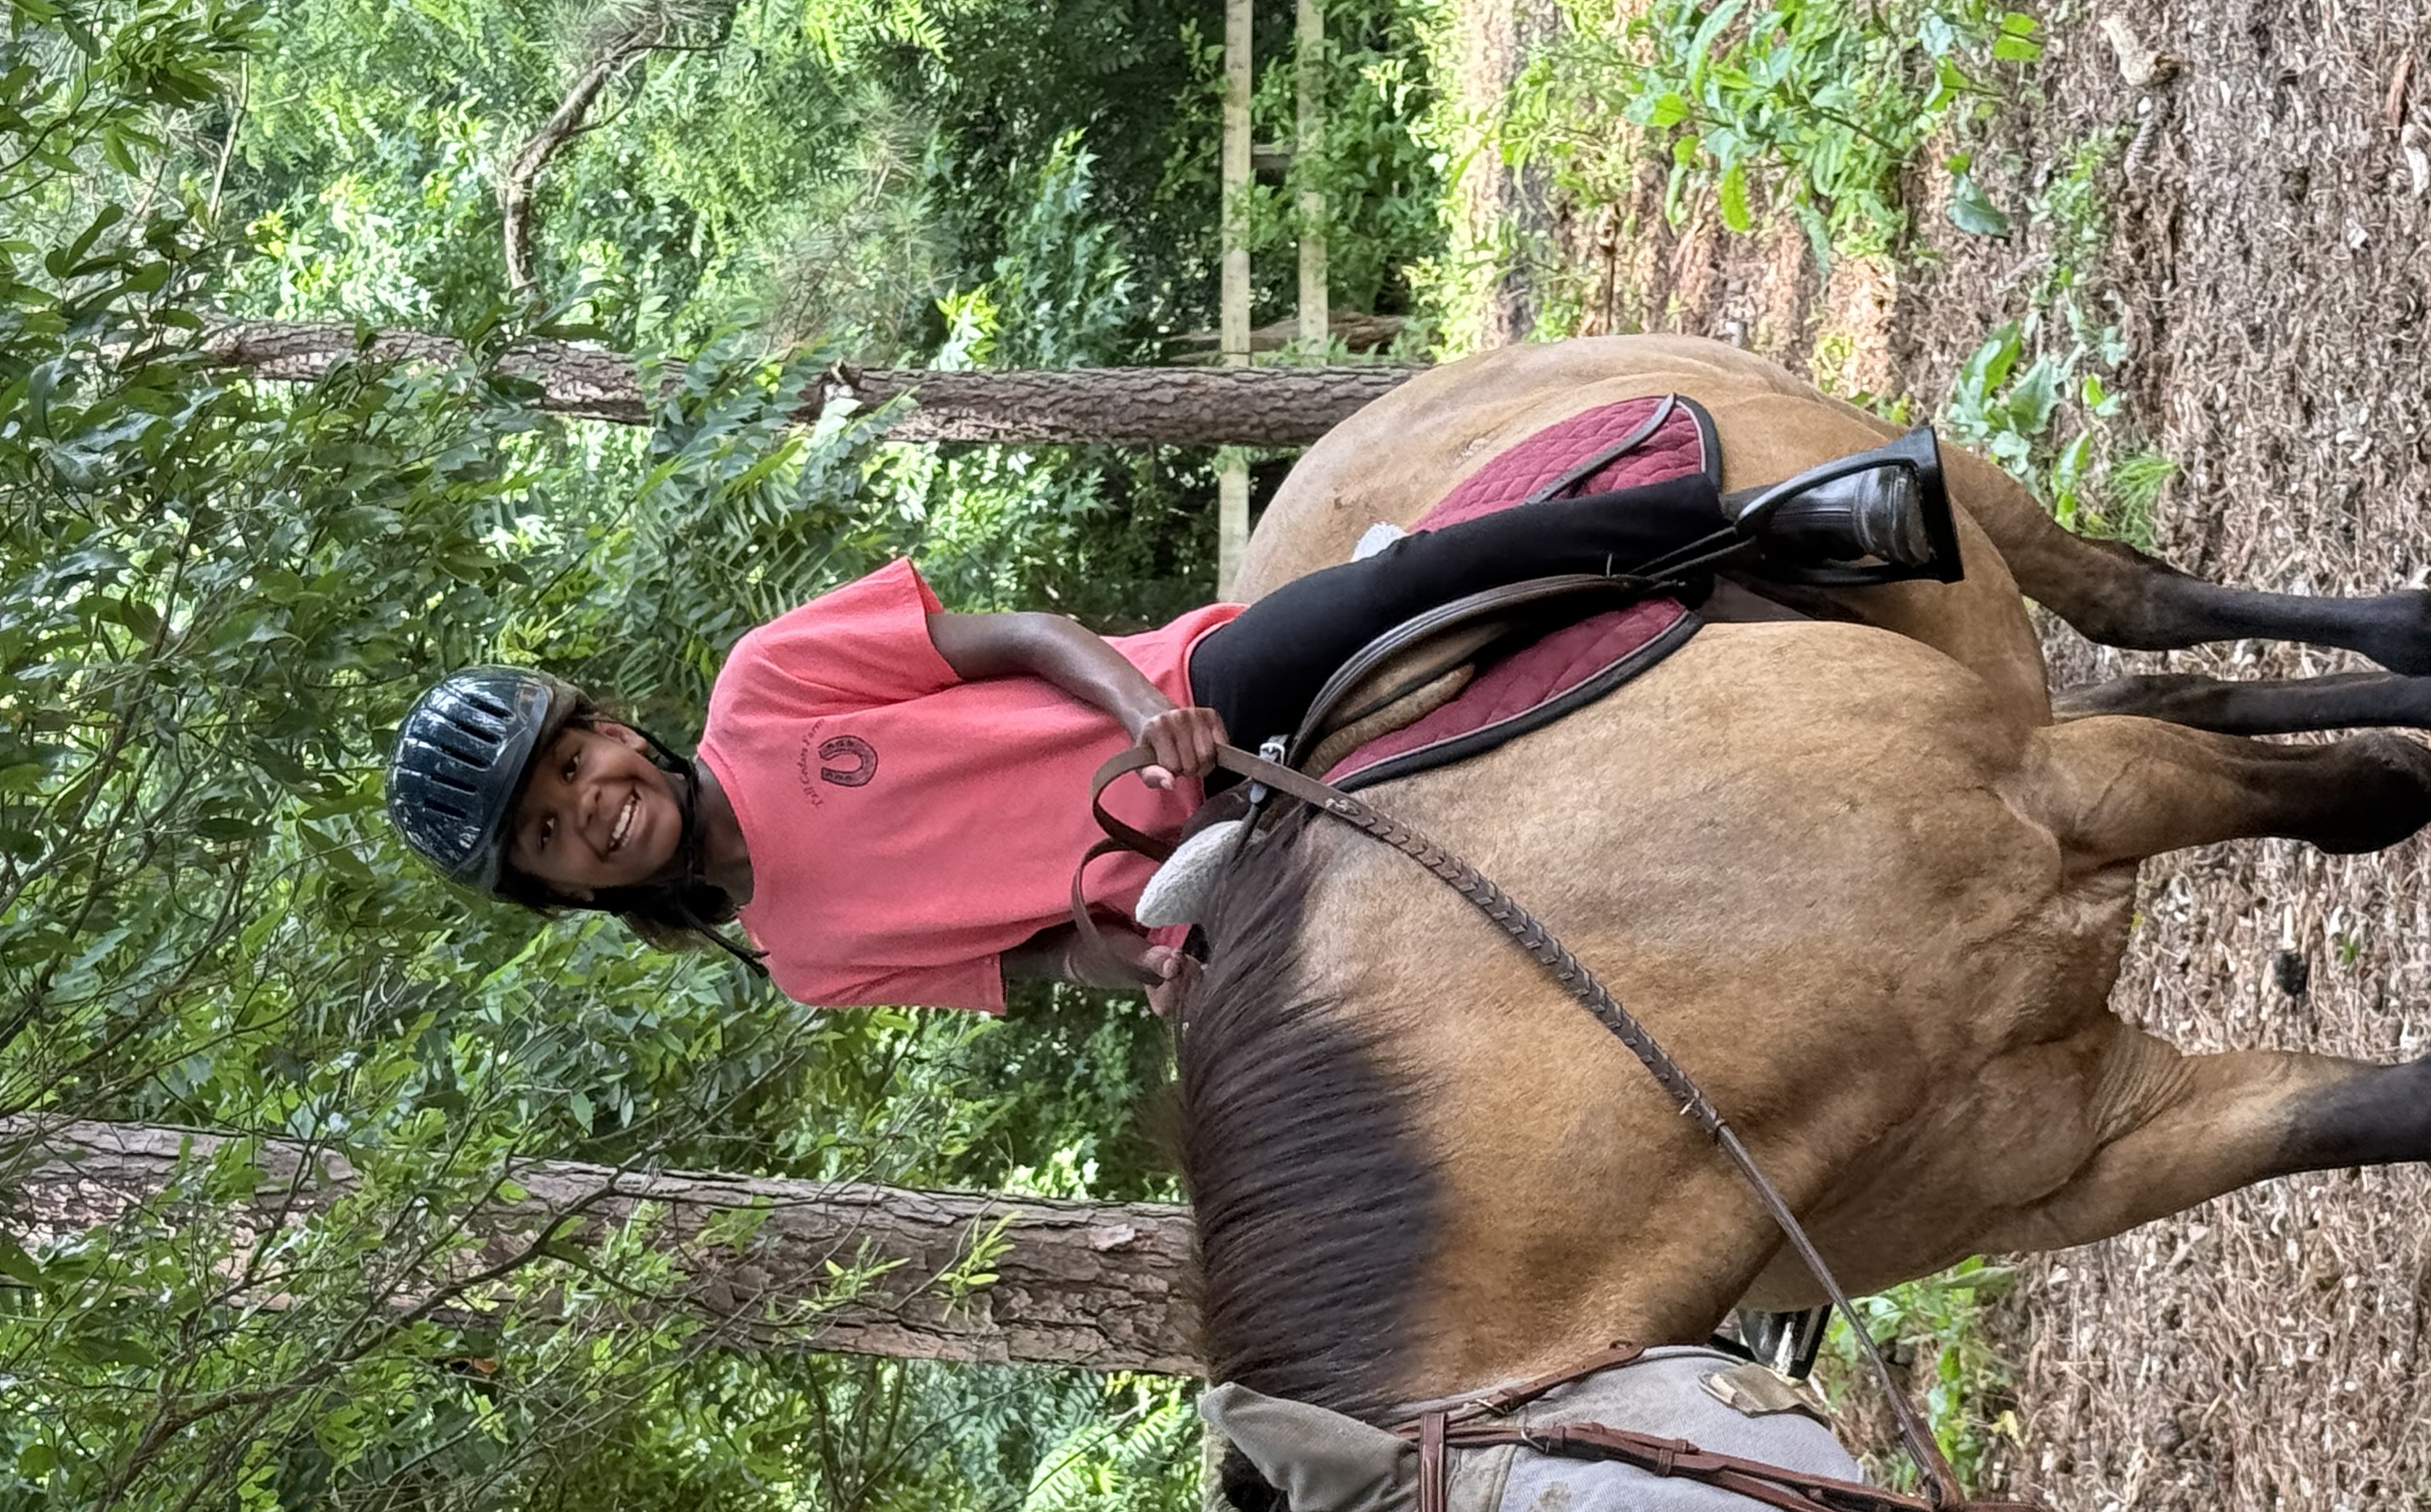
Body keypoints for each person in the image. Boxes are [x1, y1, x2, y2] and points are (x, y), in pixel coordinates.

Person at [382, 431, 1957, 1015]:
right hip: (1200, 888)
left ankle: (1778, 520)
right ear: (563, 891)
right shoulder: (809, 965)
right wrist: (1137, 961)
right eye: (544, 830)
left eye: (571, 756)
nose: (585, 799)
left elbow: (1011, 637)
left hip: (1197, 710)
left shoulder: (768, 685)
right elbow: (1022, 958)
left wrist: (1147, 709)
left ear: (613, 730)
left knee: (1420, 594)